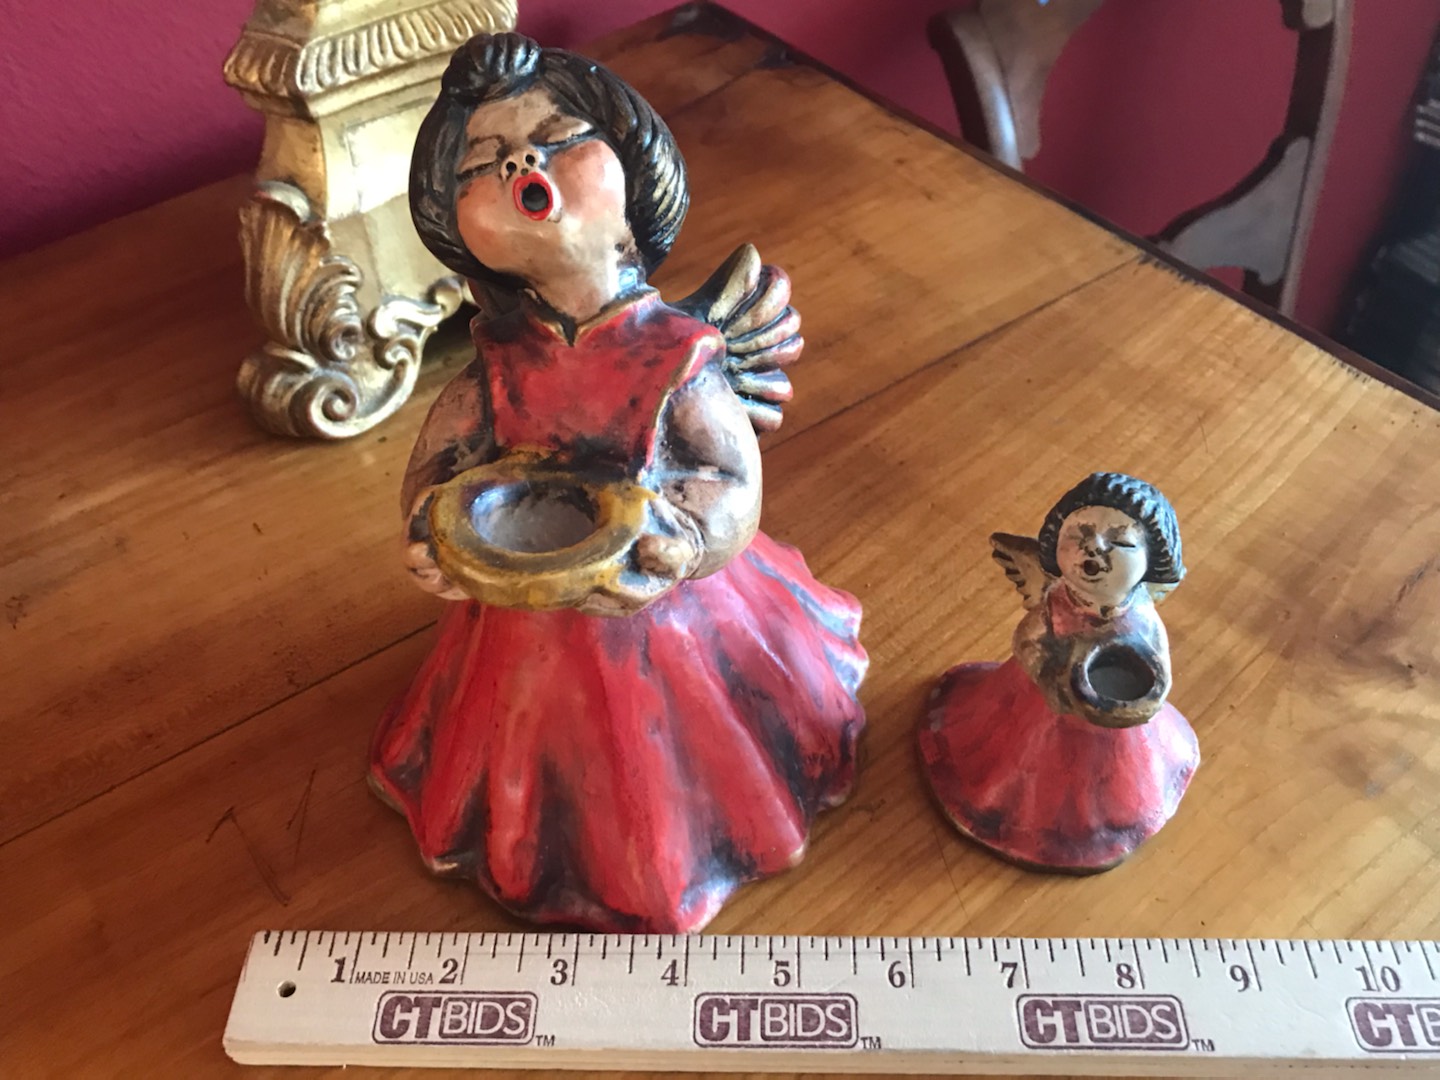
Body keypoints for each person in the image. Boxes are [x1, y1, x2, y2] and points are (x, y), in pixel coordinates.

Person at [370, 32, 867, 932]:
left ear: (636, 174)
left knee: (656, 767)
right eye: (482, 163)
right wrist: (431, 528)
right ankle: (536, 841)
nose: (522, 164)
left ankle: (667, 849)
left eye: (557, 139)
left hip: (666, 616)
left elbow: (726, 475)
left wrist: (684, 539)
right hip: (526, 620)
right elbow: (440, 465)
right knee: (530, 750)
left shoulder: (678, 356)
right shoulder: (495, 365)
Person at [920, 473, 1198, 872]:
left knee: (1103, 784)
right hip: (1037, 708)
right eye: (1079, 534)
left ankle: (1097, 822)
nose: (1094, 549)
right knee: (1027, 769)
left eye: (1121, 543)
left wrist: (1146, 701)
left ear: (1153, 562)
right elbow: (1027, 640)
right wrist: (1047, 677)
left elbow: (1160, 667)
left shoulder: (1142, 615)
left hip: (1112, 734)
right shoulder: (1058, 602)